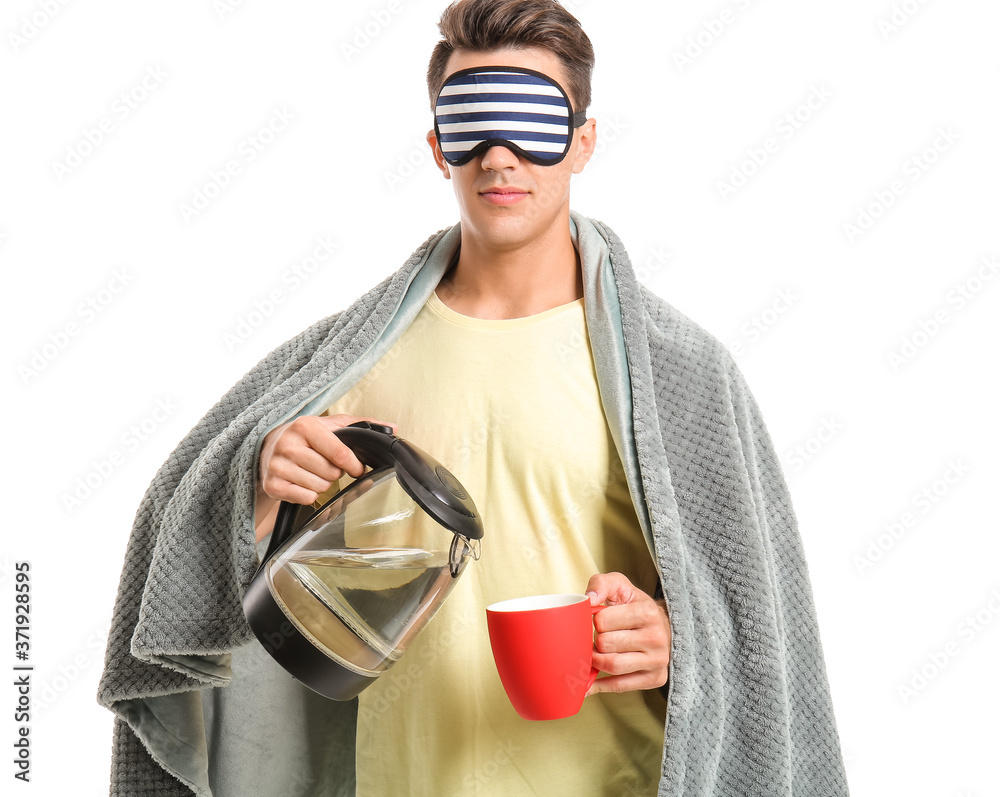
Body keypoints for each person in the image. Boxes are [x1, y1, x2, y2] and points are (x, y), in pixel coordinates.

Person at [98, 1, 849, 795]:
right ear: (436, 148)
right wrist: (258, 480)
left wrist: (676, 643)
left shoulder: (684, 375)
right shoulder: (349, 363)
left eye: (531, 122)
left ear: (584, 141)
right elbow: (191, 537)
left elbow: (764, 638)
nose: (500, 156)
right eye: (471, 125)